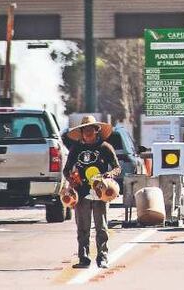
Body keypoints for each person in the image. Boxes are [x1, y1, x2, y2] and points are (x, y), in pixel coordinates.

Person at [62, 115, 120, 268]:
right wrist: (71, 180)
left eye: (90, 129)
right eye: (84, 130)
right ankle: (84, 259)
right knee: (82, 228)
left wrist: (109, 175)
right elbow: (66, 170)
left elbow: (117, 168)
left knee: (101, 227)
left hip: (101, 192)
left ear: (96, 130)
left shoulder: (105, 147)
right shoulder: (76, 149)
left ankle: (102, 257)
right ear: (81, 132)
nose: (87, 132)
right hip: (81, 193)